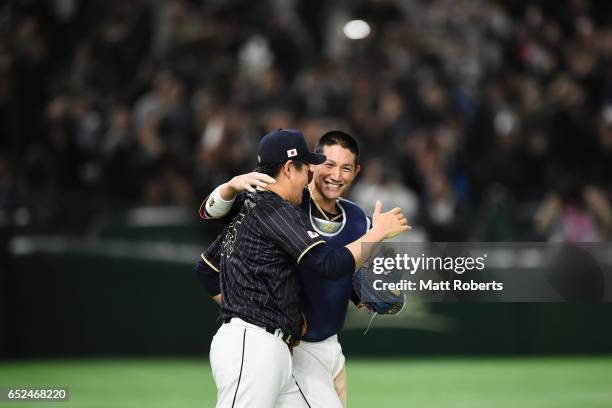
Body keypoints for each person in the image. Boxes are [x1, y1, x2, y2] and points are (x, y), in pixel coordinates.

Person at [197, 128, 410, 408]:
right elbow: (207, 264)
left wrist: (369, 291)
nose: (332, 174)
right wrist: (248, 311)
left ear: (356, 171)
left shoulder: (357, 219)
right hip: (272, 343)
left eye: (345, 167)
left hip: (294, 344)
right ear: (292, 168)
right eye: (325, 164)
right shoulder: (279, 208)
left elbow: (347, 276)